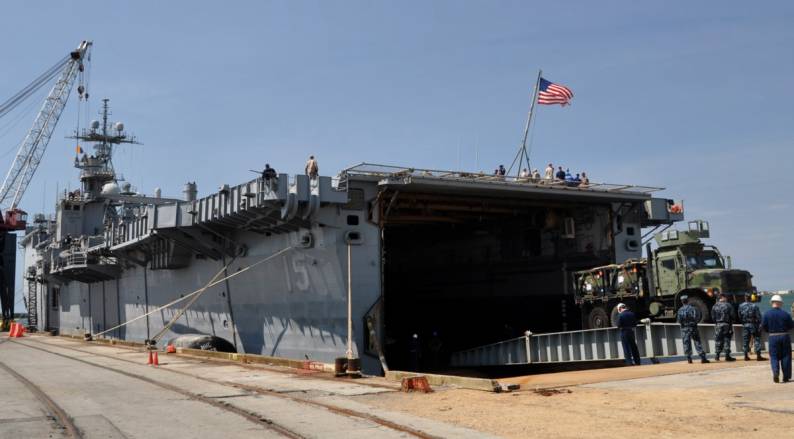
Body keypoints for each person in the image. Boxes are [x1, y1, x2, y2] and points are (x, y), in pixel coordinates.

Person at [761, 294, 793, 383]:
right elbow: (791, 326)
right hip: (784, 336)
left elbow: (763, 327)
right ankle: (786, 377)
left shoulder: (766, 314)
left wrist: (770, 331)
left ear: (772, 303)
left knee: (774, 356)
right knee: (786, 356)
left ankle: (775, 372)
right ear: (781, 303)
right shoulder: (786, 314)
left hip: (773, 337)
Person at [676, 295, 710, 363]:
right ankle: (702, 357)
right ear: (687, 300)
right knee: (697, 342)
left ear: (682, 302)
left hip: (685, 329)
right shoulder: (693, 309)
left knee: (686, 343)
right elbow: (697, 317)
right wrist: (694, 323)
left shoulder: (680, 310)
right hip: (693, 327)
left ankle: (689, 358)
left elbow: (679, 320)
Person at [738, 292, 766, 361]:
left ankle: (745, 356)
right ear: (751, 298)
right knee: (757, 339)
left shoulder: (741, 306)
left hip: (745, 325)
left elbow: (739, 316)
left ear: (745, 298)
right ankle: (758, 356)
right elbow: (759, 317)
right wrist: (759, 324)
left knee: (745, 340)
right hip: (753, 325)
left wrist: (743, 323)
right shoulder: (754, 306)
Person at [711, 293, 736, 361]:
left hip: (718, 325)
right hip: (727, 324)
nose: (727, 298)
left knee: (718, 340)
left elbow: (713, 317)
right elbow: (733, 316)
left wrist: (717, 323)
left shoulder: (714, 306)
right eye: (726, 297)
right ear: (723, 297)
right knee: (727, 340)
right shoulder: (728, 305)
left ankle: (717, 356)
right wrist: (731, 323)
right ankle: (727, 356)